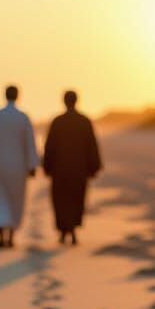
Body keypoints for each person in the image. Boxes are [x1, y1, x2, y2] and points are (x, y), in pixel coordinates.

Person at [0, 84, 38, 248]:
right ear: (17, 96)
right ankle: (10, 235)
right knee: (15, 199)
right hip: (18, 166)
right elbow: (30, 143)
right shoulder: (23, 118)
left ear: (5, 95)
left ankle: (1, 234)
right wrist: (32, 165)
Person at [42, 90, 102, 245]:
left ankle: (63, 231)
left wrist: (47, 167)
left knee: (61, 200)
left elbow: (49, 147)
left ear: (64, 101)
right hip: (78, 170)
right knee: (76, 199)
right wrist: (93, 167)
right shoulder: (84, 121)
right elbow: (92, 146)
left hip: (60, 170)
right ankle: (72, 231)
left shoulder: (57, 122)